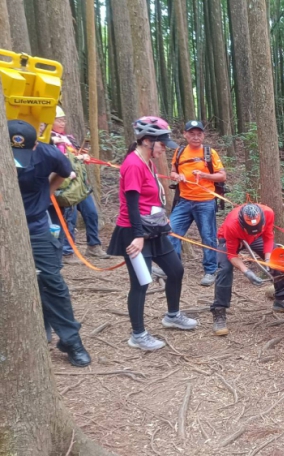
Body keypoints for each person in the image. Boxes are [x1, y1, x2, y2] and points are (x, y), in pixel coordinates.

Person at [107, 116, 198, 351]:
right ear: (147, 141)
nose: (164, 149)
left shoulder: (148, 161)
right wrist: (138, 236)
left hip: (153, 229)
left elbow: (150, 198)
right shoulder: (133, 164)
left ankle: (172, 315)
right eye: (161, 144)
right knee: (141, 282)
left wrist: (161, 218)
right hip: (134, 231)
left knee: (176, 270)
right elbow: (131, 204)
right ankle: (138, 335)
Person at [9, 120, 91, 367]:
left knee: (52, 282)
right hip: (6, 231)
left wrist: (46, 192)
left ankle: (71, 341)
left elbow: (65, 171)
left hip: (35, 227)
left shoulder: (48, 153)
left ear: (35, 146)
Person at [211, 203, 284, 336]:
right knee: (224, 269)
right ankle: (219, 312)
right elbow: (231, 255)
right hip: (230, 238)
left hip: (255, 238)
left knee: (278, 257)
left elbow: (268, 237)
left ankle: (281, 299)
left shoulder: (268, 213)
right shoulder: (232, 225)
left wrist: (268, 261)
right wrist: (247, 272)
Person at [166, 120, 226, 286]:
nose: (195, 137)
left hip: (205, 201)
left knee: (208, 237)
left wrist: (204, 175)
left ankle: (210, 271)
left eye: (199, 134)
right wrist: (177, 177)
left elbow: (222, 176)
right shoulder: (179, 152)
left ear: (203, 135)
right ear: (185, 134)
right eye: (191, 133)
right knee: (171, 232)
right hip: (184, 201)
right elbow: (172, 172)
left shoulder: (209, 152)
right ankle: (173, 268)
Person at [50, 106, 109, 263]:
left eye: (63, 120)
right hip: (66, 185)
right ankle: (67, 251)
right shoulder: (49, 140)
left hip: (80, 183)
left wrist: (83, 156)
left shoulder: (68, 138)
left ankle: (94, 245)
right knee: (70, 217)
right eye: (59, 120)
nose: (62, 123)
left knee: (91, 213)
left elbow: (76, 154)